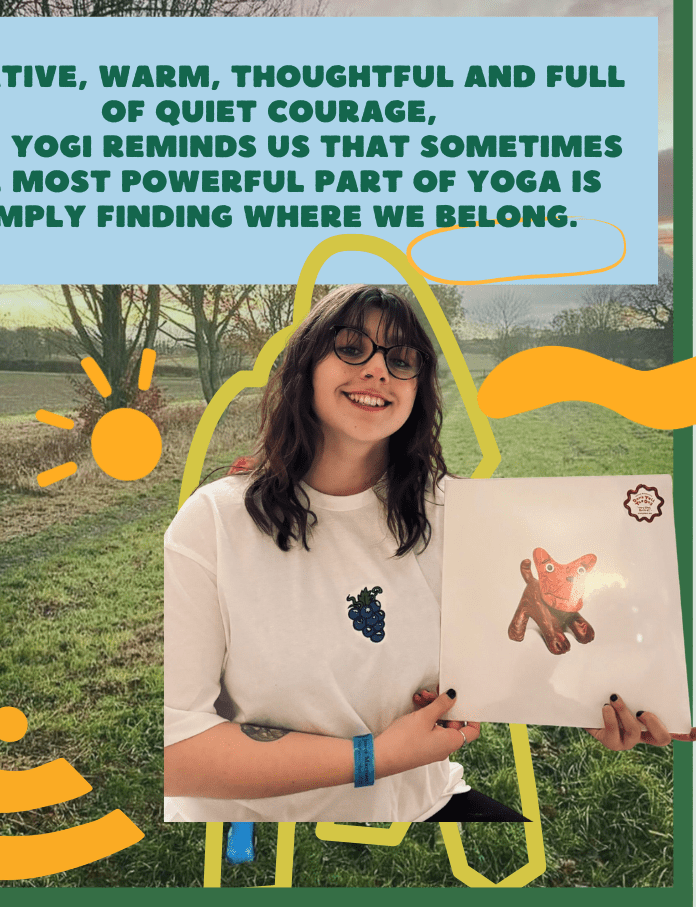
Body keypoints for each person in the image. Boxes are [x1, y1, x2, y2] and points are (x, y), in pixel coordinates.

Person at [163, 284, 692, 823]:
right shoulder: (214, 522)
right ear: (306, 368)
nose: (378, 370)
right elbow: (178, 755)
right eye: (351, 346)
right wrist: (377, 757)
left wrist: (610, 695)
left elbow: (525, 650)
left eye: (402, 358)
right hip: (252, 823)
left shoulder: (462, 517)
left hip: (418, 804)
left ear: (419, 388)